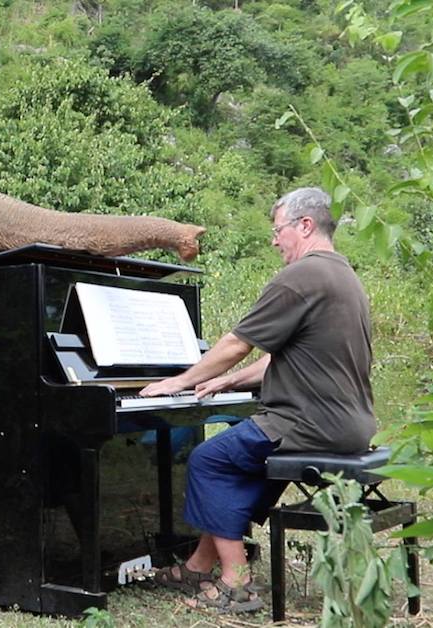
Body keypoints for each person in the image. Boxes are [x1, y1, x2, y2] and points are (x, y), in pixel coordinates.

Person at [139, 187, 376, 613]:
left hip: (307, 424)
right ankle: (197, 566)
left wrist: (180, 381)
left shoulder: (302, 276)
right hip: (348, 425)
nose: (273, 240)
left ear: (305, 226)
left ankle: (236, 583)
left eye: (277, 230)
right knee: (242, 466)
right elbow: (275, 359)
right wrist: (227, 383)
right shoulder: (343, 275)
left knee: (209, 461)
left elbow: (236, 344)